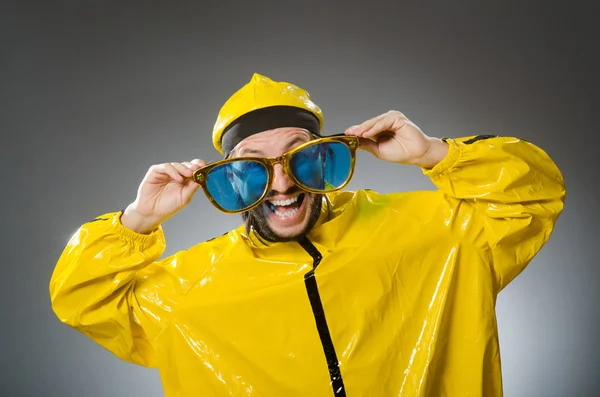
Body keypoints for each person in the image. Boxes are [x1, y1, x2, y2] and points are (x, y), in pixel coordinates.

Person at [49, 73, 566, 396]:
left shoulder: (436, 234)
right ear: (229, 178)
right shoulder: (190, 290)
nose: (280, 183)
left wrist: (434, 153)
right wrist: (138, 219)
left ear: (325, 156)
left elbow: (531, 195)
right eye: (252, 166)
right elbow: (81, 298)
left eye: (299, 155)